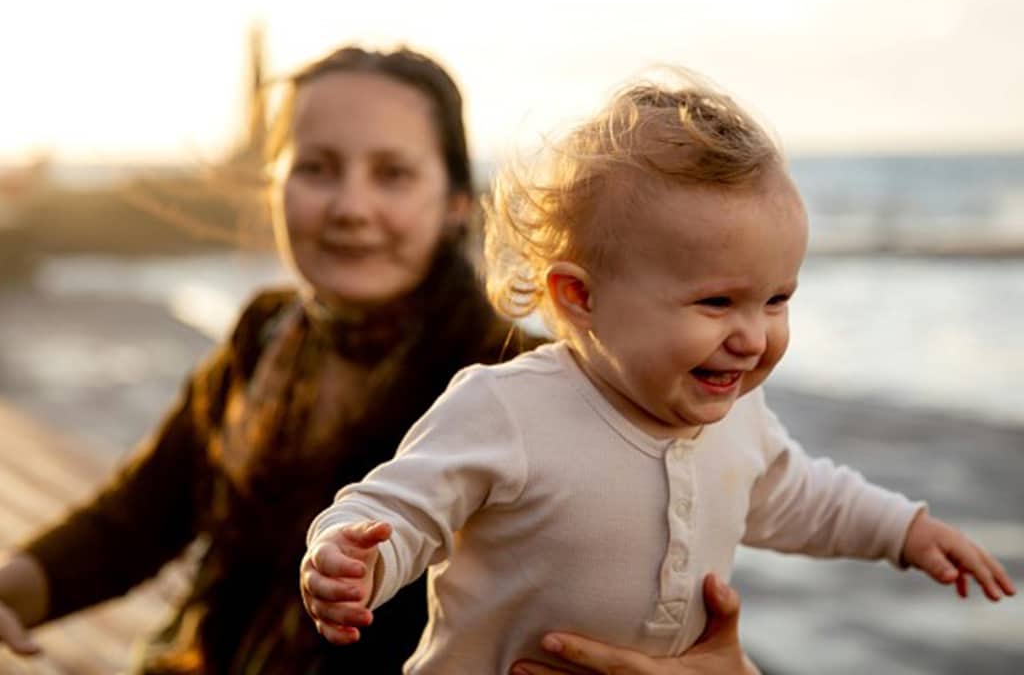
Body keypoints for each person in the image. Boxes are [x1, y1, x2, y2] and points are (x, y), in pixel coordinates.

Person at [0, 46, 758, 674]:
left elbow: (657, 576)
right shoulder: (263, 339)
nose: (350, 207)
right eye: (317, 168)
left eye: (392, 174)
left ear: (458, 201)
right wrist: (15, 590)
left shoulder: (532, 384)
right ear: (276, 188)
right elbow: (140, 517)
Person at [302, 72, 1016, 672]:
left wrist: (905, 533)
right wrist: (355, 556)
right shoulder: (507, 408)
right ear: (579, 297)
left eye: (777, 300)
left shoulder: (739, 421)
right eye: (716, 302)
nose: (752, 335)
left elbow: (804, 497)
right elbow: (403, 507)